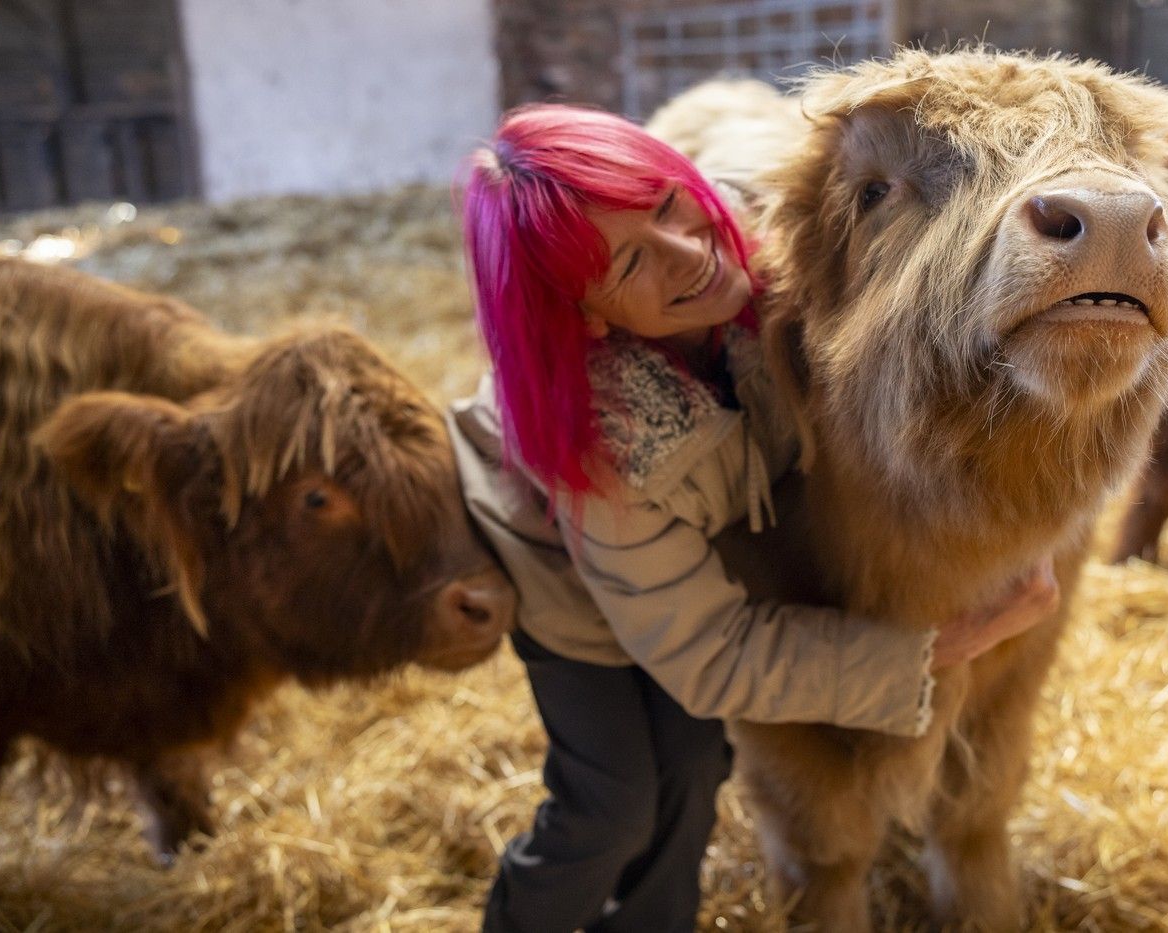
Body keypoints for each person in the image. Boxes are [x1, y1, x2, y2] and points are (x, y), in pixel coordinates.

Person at [452, 103, 1060, 933]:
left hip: (684, 571)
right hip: (574, 592)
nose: (687, 251)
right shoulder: (607, 454)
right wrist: (934, 650)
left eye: (668, 203)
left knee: (699, 767)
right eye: (631, 261)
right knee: (615, 802)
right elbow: (711, 654)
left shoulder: (770, 245)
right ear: (587, 314)